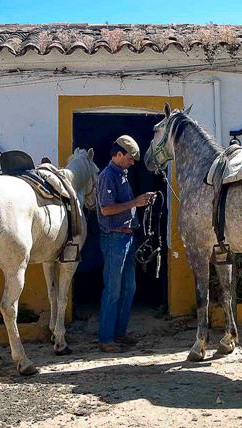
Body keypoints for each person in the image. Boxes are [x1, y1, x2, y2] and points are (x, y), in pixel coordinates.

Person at [96, 135, 155, 352]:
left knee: (129, 288)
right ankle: (106, 338)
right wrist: (135, 202)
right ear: (118, 154)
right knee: (113, 289)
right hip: (114, 238)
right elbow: (106, 209)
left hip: (127, 238)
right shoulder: (108, 177)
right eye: (130, 158)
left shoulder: (122, 175)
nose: (132, 163)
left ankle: (119, 333)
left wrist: (139, 202)